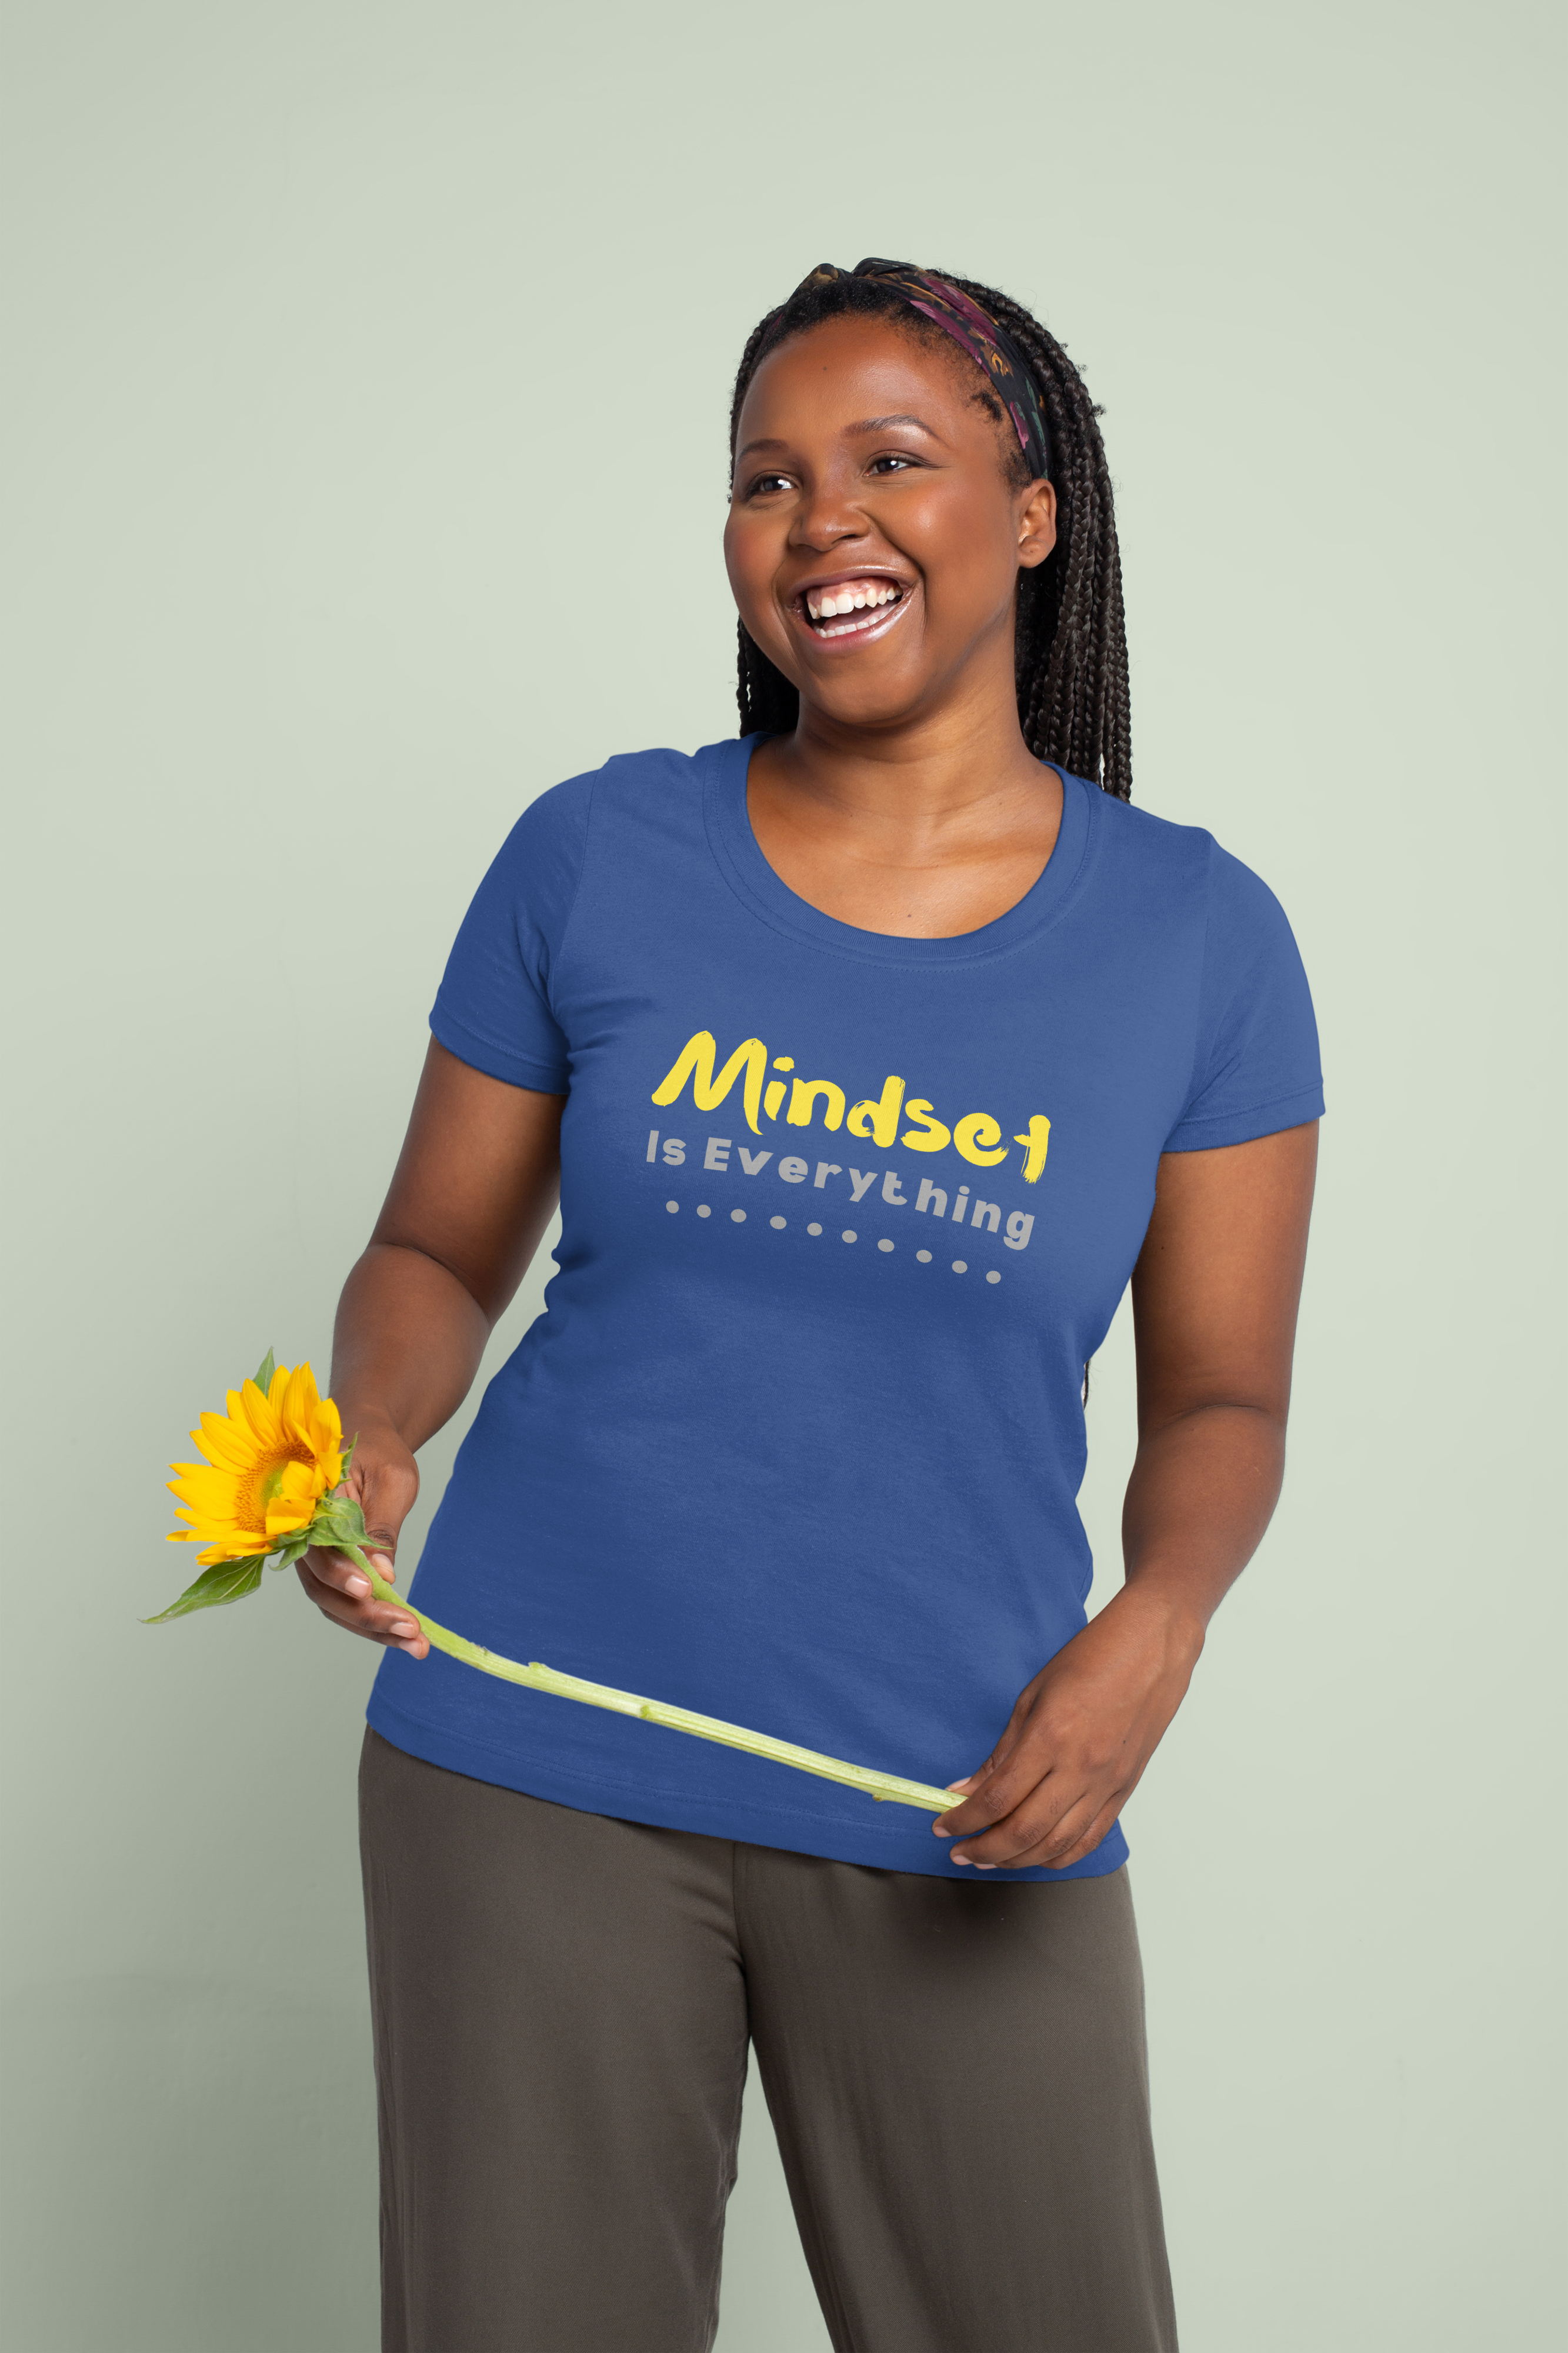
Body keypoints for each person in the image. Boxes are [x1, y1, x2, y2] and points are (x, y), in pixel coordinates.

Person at [307, 258, 1322, 2353]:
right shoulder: (595, 852)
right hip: (531, 1755)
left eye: (889, 461)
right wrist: (376, 1429)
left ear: (1031, 512)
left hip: (961, 1788)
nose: (818, 518)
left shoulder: (1200, 942)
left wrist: (1157, 1627)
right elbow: (432, 1255)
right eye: (767, 477)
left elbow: (1224, 1398)